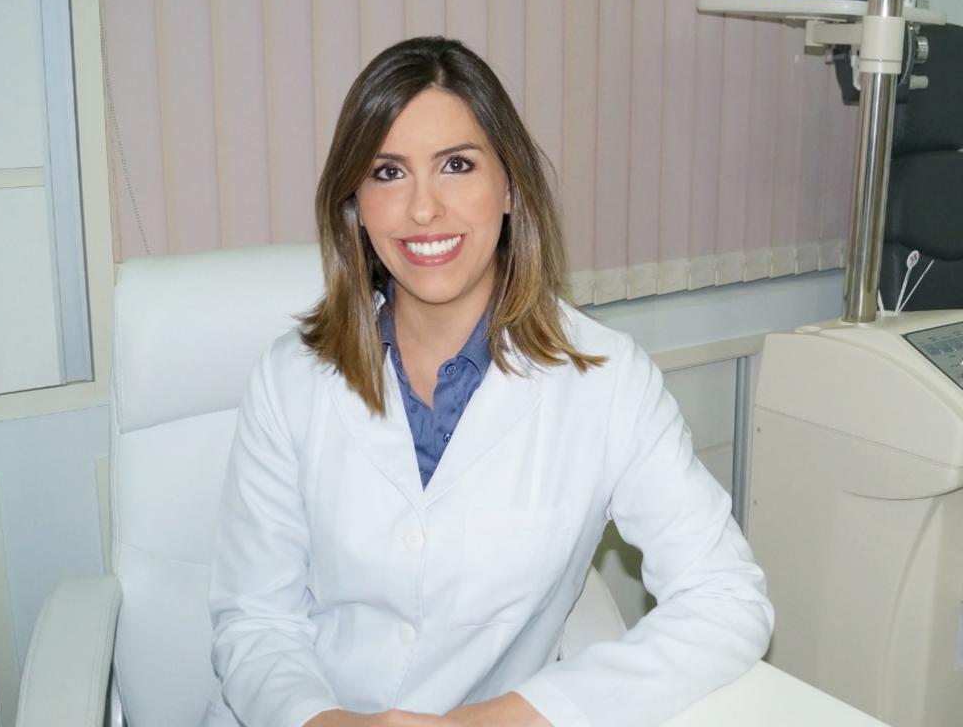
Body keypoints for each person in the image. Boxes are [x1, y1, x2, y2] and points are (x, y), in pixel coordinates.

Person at [202, 36, 773, 727]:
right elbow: (256, 618)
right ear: (355, 203)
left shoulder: (607, 381)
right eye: (388, 172)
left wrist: (506, 718)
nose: (423, 209)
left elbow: (726, 598)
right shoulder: (291, 378)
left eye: (457, 165)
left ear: (508, 186)